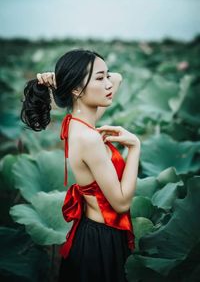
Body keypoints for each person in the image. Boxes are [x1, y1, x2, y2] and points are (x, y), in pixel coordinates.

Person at [20, 49, 141, 282]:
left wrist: (63, 80)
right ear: (77, 90)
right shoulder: (89, 138)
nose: (108, 83)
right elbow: (121, 201)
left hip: (93, 233)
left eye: (105, 76)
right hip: (101, 242)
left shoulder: (78, 121)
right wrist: (134, 147)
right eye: (99, 78)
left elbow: (118, 78)